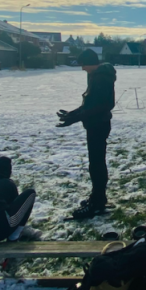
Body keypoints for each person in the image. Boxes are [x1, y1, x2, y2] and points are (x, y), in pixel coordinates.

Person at [57, 49, 117, 219]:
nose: (82, 68)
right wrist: (72, 114)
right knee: (95, 163)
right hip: (94, 124)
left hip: (99, 124)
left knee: (96, 164)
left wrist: (75, 118)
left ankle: (97, 203)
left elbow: (104, 105)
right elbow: (89, 103)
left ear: (91, 63)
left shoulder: (102, 77)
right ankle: (98, 197)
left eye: (83, 64)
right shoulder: (95, 75)